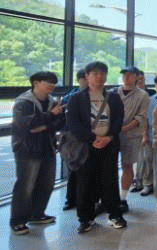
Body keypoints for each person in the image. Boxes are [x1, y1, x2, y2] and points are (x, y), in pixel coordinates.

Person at [67, 62, 126, 233]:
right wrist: (92, 138)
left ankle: (114, 215)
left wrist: (109, 137)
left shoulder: (113, 98)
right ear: (87, 76)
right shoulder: (76, 99)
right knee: (85, 182)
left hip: (109, 145)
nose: (99, 77)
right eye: (95, 74)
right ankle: (86, 218)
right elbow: (73, 123)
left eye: (102, 73)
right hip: (86, 146)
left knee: (110, 180)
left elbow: (118, 120)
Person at [9, 71, 65, 235]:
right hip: (27, 150)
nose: (52, 85)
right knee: (25, 186)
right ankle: (18, 221)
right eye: (48, 82)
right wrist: (50, 115)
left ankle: (37, 214)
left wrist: (44, 125)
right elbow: (28, 125)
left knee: (47, 184)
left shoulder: (52, 101)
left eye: (53, 82)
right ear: (36, 83)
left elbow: (61, 122)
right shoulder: (24, 102)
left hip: (48, 147)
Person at [116, 66, 150, 212]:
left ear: (137, 77)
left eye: (130, 75)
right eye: (124, 75)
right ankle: (108, 198)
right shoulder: (114, 92)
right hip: (112, 135)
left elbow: (141, 117)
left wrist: (124, 128)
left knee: (127, 165)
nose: (126, 77)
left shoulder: (143, 95)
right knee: (108, 166)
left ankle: (123, 198)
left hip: (131, 136)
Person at [136, 74, 157, 197]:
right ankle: (147, 184)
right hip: (151, 136)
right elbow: (145, 120)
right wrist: (144, 135)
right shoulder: (149, 100)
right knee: (148, 161)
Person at [61, 68, 88, 211]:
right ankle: (70, 199)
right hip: (73, 139)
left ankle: (85, 200)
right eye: (84, 78)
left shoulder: (97, 96)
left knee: (88, 171)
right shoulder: (69, 97)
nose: (87, 81)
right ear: (79, 80)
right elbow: (62, 118)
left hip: (89, 138)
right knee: (73, 169)